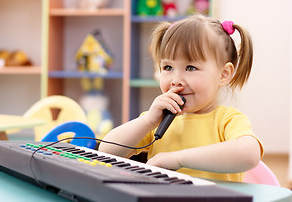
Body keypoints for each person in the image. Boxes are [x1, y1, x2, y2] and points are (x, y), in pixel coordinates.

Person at [99, 14, 263, 182]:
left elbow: (249, 155)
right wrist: (148, 121)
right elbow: (105, 151)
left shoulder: (227, 120)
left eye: (191, 68)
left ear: (223, 74)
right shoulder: (157, 121)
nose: (175, 80)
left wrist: (178, 159)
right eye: (168, 67)